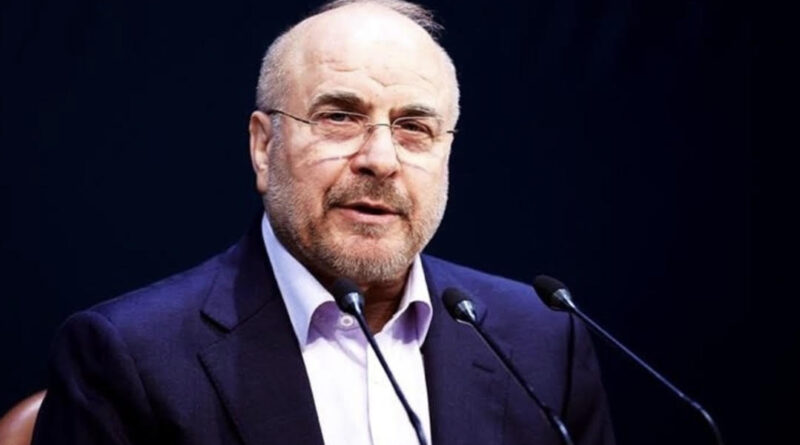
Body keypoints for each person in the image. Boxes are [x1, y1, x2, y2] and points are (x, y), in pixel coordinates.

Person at [31, 1, 615, 444]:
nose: (381, 159)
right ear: (264, 147)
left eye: (414, 127)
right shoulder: (130, 355)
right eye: (339, 116)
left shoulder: (543, 339)